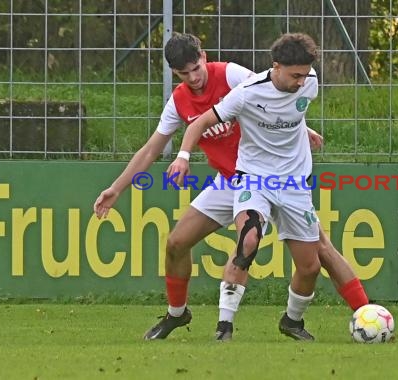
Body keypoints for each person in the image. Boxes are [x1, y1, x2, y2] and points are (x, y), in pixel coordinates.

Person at [93, 32, 368, 342]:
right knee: (176, 243)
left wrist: (303, 127)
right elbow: (150, 150)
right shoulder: (179, 102)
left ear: (204, 57)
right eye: (184, 73)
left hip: (274, 176)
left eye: (196, 67)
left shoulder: (233, 75)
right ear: (174, 73)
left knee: (319, 253)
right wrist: (117, 188)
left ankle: (368, 316)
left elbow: (279, 97)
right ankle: (177, 313)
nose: (194, 77)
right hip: (233, 180)